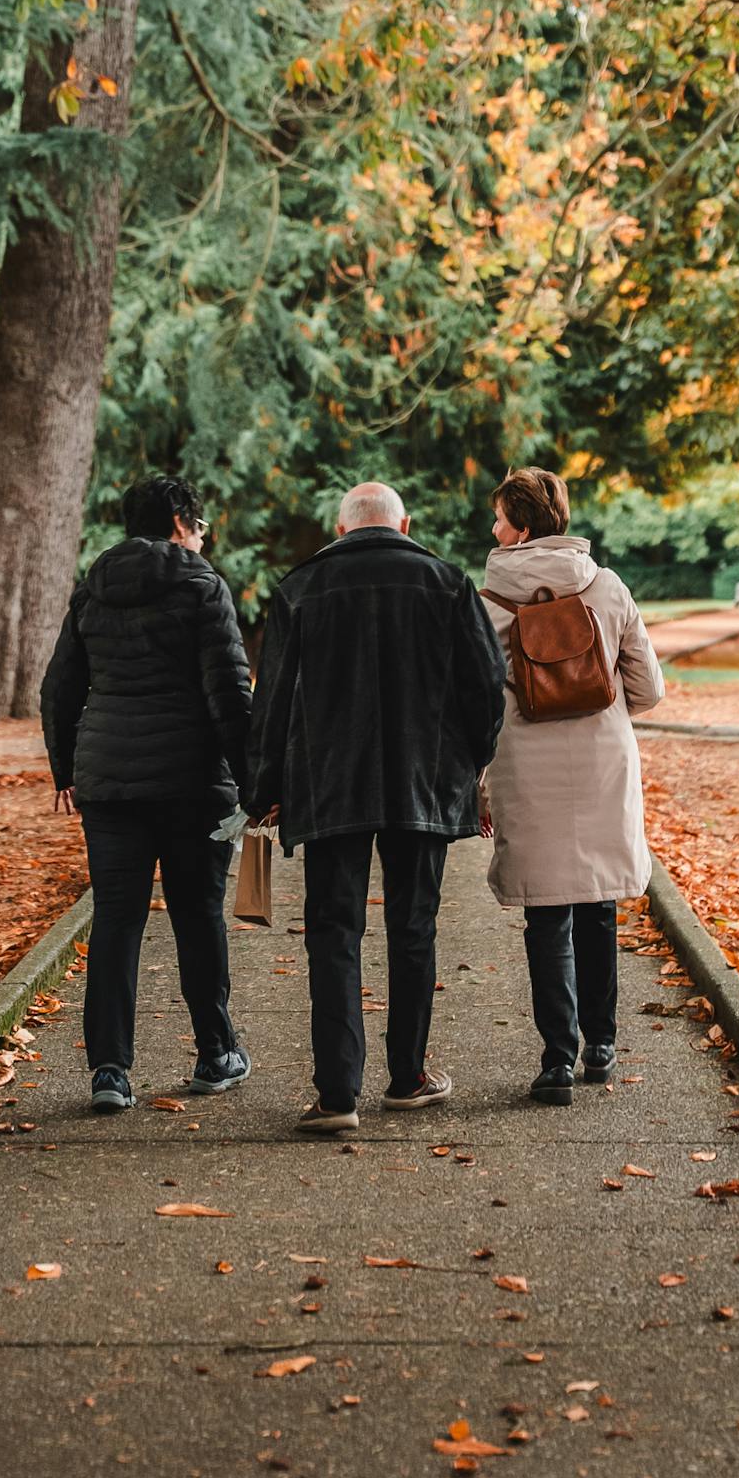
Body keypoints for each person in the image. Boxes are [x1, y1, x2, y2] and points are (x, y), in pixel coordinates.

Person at [246, 480, 506, 1136]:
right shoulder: (446, 582)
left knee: (334, 933)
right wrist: (471, 762)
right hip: (422, 781)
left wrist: (265, 787)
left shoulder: (301, 588)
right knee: (413, 927)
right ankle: (408, 1076)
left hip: (329, 782)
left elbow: (272, 698)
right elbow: (486, 688)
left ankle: (337, 1094)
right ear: (404, 524)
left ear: (341, 530)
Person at [40, 474, 253, 1115]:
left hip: (109, 786)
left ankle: (110, 1070)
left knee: (117, 919)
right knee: (197, 914)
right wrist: (254, 781)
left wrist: (65, 772)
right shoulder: (200, 585)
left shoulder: (92, 590)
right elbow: (229, 694)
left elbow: (58, 690)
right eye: (199, 524)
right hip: (191, 783)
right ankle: (215, 1053)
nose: (202, 536)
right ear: (181, 522)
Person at [478, 465, 664, 1107]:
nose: (493, 528)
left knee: (546, 913)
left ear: (521, 529)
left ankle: (557, 1059)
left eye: (499, 518)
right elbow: (649, 689)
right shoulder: (608, 588)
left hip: (525, 763)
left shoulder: (487, 601)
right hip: (602, 762)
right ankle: (602, 1045)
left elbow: (473, 700)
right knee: (599, 907)